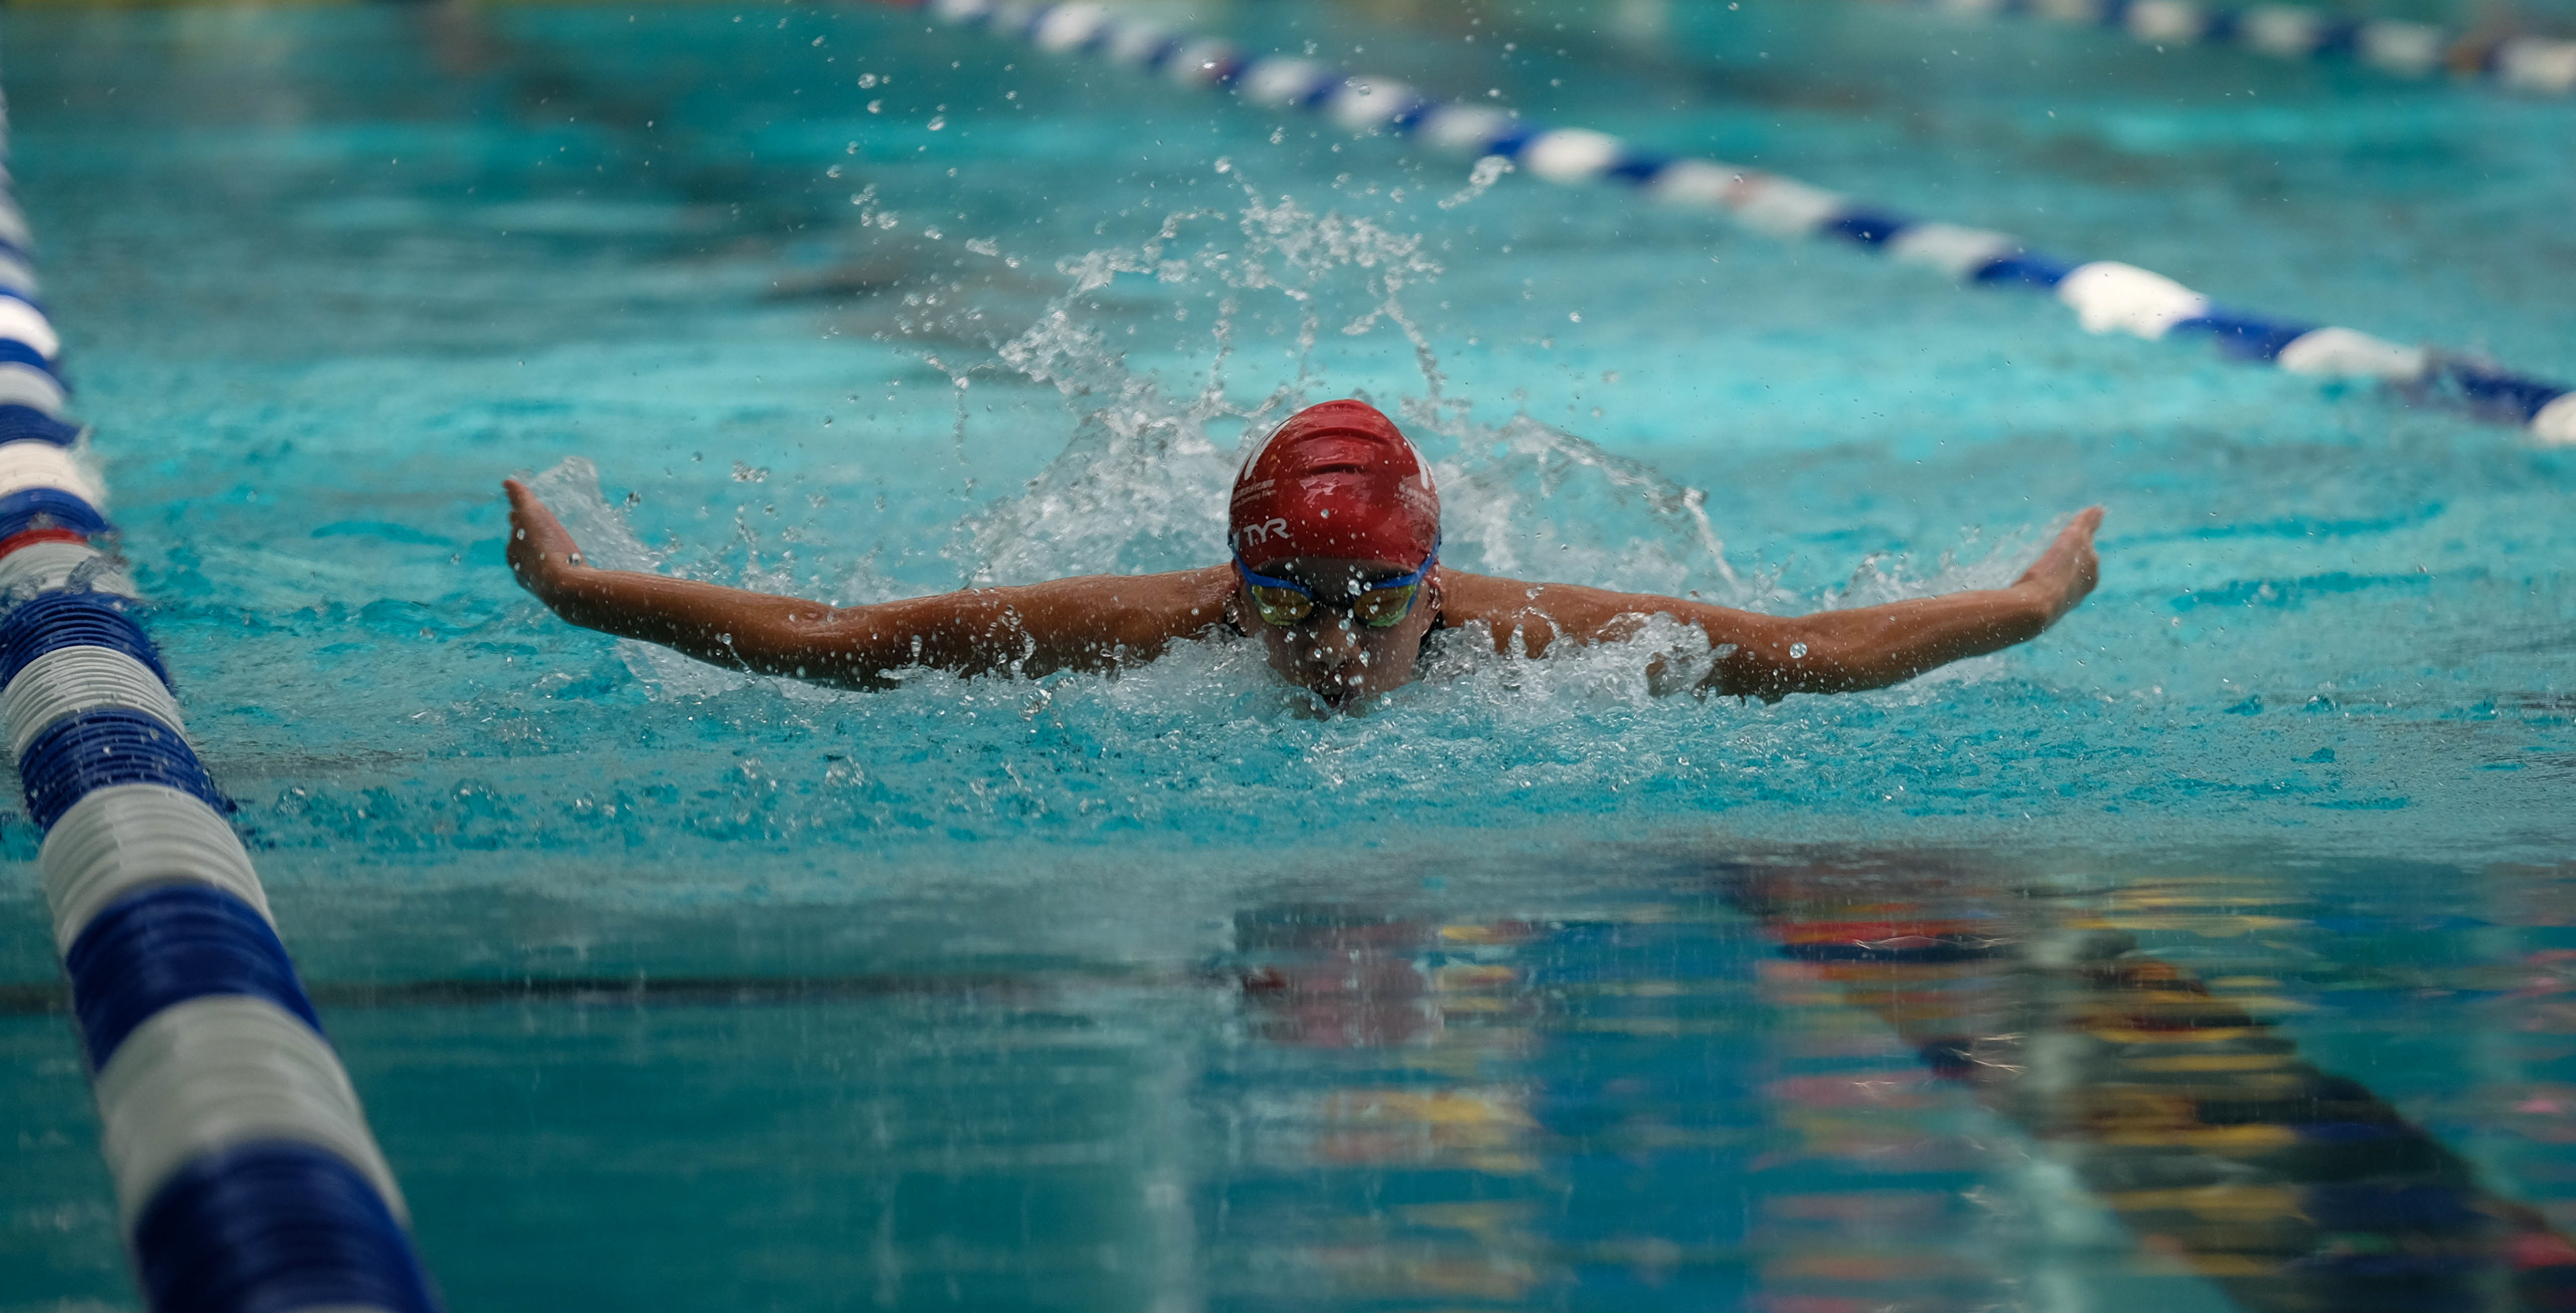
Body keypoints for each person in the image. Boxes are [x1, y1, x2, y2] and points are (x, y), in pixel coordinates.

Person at [503, 400, 2102, 709]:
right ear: (1236, 584)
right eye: (1291, 601)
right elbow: (840, 639)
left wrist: (2025, 607)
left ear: (1432, 585)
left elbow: (1802, 651)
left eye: (1367, 602)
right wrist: (586, 596)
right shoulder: (1135, 632)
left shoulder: (1535, 641)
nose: (1332, 643)